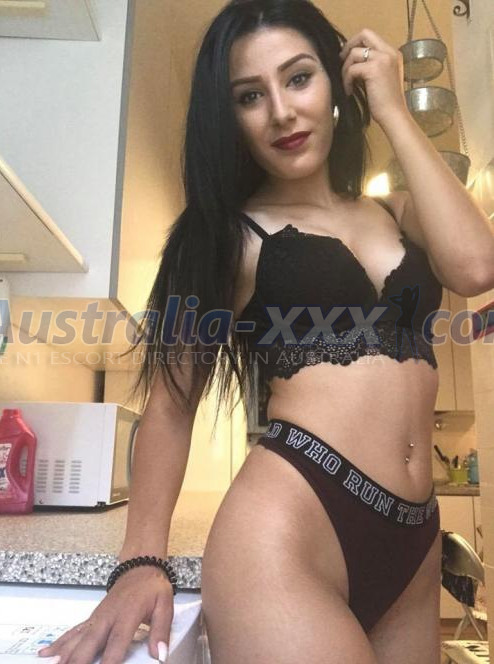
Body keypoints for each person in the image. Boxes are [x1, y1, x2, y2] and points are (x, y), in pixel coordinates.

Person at [37, 1, 494, 663]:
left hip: (415, 537)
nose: (281, 111)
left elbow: (476, 266)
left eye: (299, 78)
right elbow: (170, 405)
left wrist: (393, 109)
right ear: (230, 118)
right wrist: (139, 560)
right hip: (287, 534)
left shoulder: (398, 210)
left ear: (336, 82)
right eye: (250, 96)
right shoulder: (221, 235)